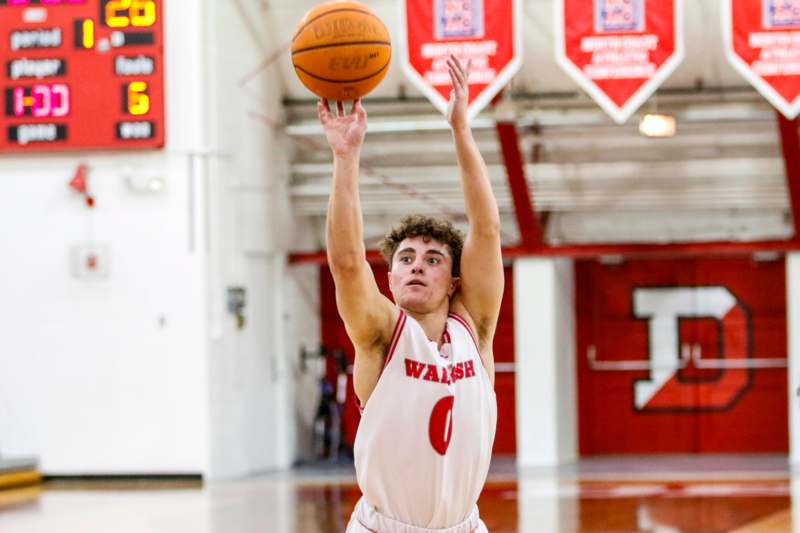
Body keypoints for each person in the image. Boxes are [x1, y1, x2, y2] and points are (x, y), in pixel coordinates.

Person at [318, 55, 503, 533]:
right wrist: (345, 159)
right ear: (391, 279)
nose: (417, 264)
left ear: (454, 280)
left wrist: (461, 130)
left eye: (433, 258)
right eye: (405, 259)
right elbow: (345, 262)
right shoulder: (381, 335)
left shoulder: (474, 329)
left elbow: (486, 228)